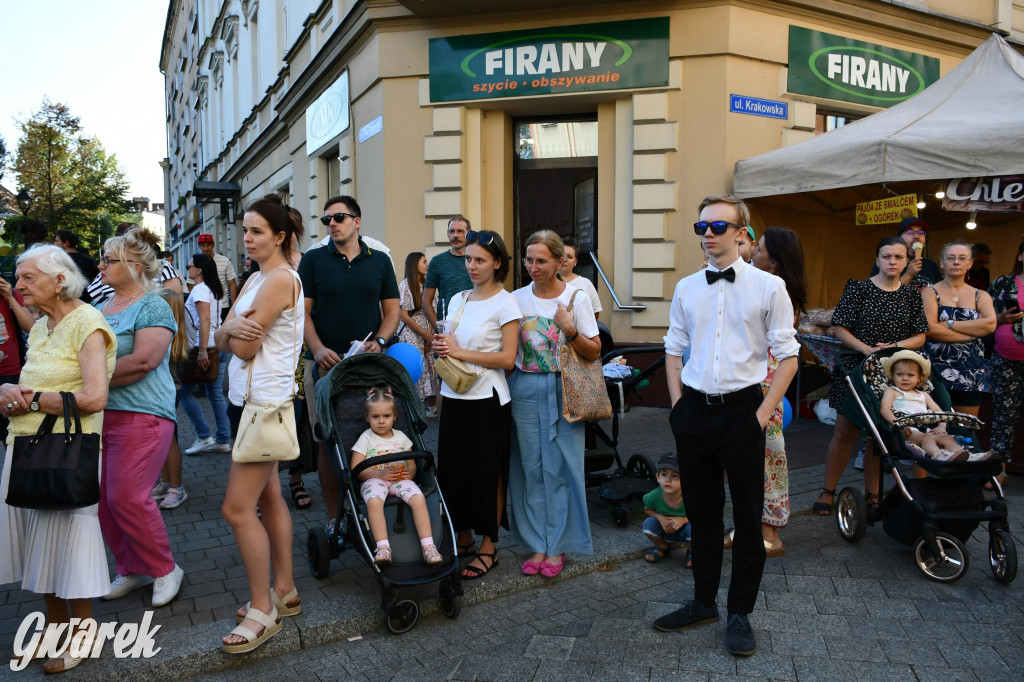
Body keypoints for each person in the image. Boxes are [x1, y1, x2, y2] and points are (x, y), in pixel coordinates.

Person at [655, 195, 798, 658]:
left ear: (742, 233)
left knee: (747, 518)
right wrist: (678, 405)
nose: (709, 233)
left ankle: (740, 613)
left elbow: (790, 357)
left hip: (743, 412)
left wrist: (760, 415)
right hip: (693, 411)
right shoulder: (686, 287)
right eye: (703, 226)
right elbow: (673, 348)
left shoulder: (769, 287)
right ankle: (702, 602)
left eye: (719, 225)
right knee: (702, 513)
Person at [0, 245, 116, 674]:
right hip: (27, 447)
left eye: (28, 277)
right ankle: (55, 629)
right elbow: (30, 384)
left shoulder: (87, 322)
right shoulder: (44, 326)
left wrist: (30, 400)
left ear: (60, 280)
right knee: (39, 545)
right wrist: (8, 395)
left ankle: (83, 632)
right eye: (18, 276)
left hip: (68, 451)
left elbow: (94, 398)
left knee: (69, 543)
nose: (19, 285)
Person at [217, 195, 305, 654]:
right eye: (245, 231)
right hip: (249, 401)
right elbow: (220, 336)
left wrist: (231, 333)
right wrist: (230, 332)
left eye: (256, 232)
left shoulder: (278, 281)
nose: (247, 239)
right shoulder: (255, 277)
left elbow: (243, 347)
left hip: (263, 405)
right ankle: (284, 590)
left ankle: (262, 610)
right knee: (268, 497)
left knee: (236, 509)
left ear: (280, 236)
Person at [94, 228, 184, 608]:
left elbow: (144, 361)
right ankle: (130, 568)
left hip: (144, 413)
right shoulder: (100, 310)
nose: (100, 265)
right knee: (103, 500)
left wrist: (88, 376)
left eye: (108, 260)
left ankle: (165, 569)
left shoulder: (153, 304)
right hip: (102, 414)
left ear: (133, 266)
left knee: (129, 497)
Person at [298, 195, 399, 532]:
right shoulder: (312, 260)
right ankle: (334, 518)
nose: (332, 224)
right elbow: (303, 312)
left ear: (357, 222)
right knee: (327, 440)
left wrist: (381, 341)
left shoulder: (380, 261)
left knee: (376, 432)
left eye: (339, 217)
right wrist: (318, 347)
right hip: (325, 366)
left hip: (369, 365)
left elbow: (392, 310)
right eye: (328, 219)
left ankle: (377, 509)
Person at [814, 236, 929, 517]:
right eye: (887, 256)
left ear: (906, 262)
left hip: (895, 372)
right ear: (877, 260)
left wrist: (892, 347)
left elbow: (920, 336)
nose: (892, 262)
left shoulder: (912, 294)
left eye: (898, 257)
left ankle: (873, 497)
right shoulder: (859, 288)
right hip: (856, 368)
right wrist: (866, 349)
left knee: (877, 439)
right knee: (844, 432)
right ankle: (828, 491)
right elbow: (839, 327)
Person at [508, 230, 600, 579]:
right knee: (529, 468)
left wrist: (570, 329)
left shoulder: (577, 297)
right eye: (529, 259)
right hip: (525, 387)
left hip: (565, 389)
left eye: (541, 260)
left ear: (560, 261)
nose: (533, 266)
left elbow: (594, 351)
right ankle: (536, 542)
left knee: (562, 467)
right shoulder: (515, 298)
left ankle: (558, 543)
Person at [432, 229, 520, 579]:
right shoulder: (459, 298)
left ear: (497, 263)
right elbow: (451, 343)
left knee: (487, 474)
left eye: (480, 259)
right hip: (454, 395)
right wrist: (443, 346)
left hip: (487, 400)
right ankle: (463, 536)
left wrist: (458, 351)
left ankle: (489, 545)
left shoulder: (506, 302)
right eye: (468, 258)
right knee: (453, 472)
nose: (471, 265)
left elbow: (509, 359)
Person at [746, 225, 808, 557]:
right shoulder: (765, 284)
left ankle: (770, 533)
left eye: (759, 249)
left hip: (767, 387)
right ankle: (754, 527)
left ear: (775, 261)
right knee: (752, 461)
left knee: (770, 459)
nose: (753, 251)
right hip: (755, 384)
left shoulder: (776, 290)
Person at [351, 387, 442, 565]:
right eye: (375, 417)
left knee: (417, 498)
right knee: (374, 501)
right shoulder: (366, 438)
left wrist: (411, 472)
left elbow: (411, 463)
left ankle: (428, 546)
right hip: (374, 480)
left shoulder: (401, 437)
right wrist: (379, 473)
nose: (381, 421)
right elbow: (356, 468)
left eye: (386, 416)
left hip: (400, 479)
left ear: (394, 416)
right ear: (367, 417)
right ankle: (383, 547)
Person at [921, 241, 996, 416]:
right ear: (941, 262)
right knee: (933, 426)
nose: (956, 262)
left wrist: (949, 323)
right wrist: (971, 335)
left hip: (970, 369)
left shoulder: (981, 295)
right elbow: (930, 328)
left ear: (970, 263)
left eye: (962, 258)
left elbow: (990, 324)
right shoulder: (930, 292)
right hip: (935, 369)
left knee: (965, 426)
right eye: (951, 258)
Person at [880, 350, 979, 462]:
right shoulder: (892, 391)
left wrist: (941, 426)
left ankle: (966, 456)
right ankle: (939, 456)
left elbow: (938, 411)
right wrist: (899, 425)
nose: (905, 378)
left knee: (947, 438)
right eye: (899, 374)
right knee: (927, 438)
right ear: (893, 376)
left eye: (910, 375)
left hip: (926, 429)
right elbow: (885, 409)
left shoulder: (923, 395)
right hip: (905, 430)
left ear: (919, 378)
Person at [179, 253, 232, 455]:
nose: (188, 269)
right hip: (217, 345)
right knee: (216, 394)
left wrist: (201, 351)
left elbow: (204, 320)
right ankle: (222, 439)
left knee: (185, 393)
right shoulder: (213, 288)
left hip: (205, 347)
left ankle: (204, 436)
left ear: (199, 269)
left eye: (189, 265)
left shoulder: (200, 289)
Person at [987, 235, 1024, 488]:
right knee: (1003, 415)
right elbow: (981, 313)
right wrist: (999, 319)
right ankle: (998, 470)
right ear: (1020, 256)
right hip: (1005, 359)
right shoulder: (1003, 283)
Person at [151, 287, 191, 510]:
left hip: (166, 391)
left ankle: (177, 488)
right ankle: (166, 483)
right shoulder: (174, 330)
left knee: (169, 440)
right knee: (162, 440)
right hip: (163, 390)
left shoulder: (168, 332)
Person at [86, 223, 184, 301]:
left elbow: (176, 302)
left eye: (108, 260)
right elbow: (86, 299)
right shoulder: (104, 277)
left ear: (136, 267)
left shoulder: (162, 267)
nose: (100, 266)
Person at [398, 252, 438, 410]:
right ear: (414, 264)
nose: (427, 264)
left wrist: (429, 334)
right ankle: (416, 405)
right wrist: (424, 333)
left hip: (427, 330)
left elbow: (431, 311)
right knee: (418, 365)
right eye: (424, 261)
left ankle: (432, 405)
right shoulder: (406, 285)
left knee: (432, 363)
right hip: (412, 331)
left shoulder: (428, 285)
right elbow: (403, 316)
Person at [423, 215, 473, 332]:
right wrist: (439, 329)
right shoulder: (437, 261)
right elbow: (426, 301)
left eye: (460, 231)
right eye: (452, 231)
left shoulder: (476, 260)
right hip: (447, 325)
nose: (455, 235)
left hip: (472, 324)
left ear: (469, 233)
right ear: (447, 234)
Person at [0, 276, 34, 444]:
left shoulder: (6, 294)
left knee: (12, 438)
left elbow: (31, 328)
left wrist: (10, 297)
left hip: (10, 376)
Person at [642, 455, 691, 568]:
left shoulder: (691, 497)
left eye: (674, 476)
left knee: (698, 527)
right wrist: (660, 517)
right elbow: (647, 510)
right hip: (665, 529)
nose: (668, 479)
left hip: (687, 530)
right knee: (648, 524)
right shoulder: (653, 496)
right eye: (664, 474)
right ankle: (662, 547)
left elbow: (702, 515)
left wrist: (683, 519)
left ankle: (692, 551)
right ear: (658, 477)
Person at [869, 217, 941, 290]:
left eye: (920, 233)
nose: (916, 236)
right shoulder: (886, 264)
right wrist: (908, 275)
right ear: (900, 239)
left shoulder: (931, 266)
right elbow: (880, 297)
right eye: (910, 232)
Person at [559, 237, 602, 321]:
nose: (564, 260)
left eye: (570, 257)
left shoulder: (585, 283)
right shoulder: (545, 282)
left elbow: (595, 312)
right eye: (561, 256)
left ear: (576, 261)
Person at [197, 233, 238, 321]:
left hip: (223, 305)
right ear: (199, 246)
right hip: (203, 304)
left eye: (209, 245)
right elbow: (192, 285)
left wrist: (234, 305)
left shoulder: (225, 261)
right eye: (203, 246)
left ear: (213, 245)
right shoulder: (195, 262)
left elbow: (232, 284)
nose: (206, 248)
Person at [53, 229, 99, 296]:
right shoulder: (88, 259)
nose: (54, 244)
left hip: (65, 297)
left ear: (66, 243)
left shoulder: (58, 260)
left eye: (57, 241)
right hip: (86, 298)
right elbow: (96, 280)